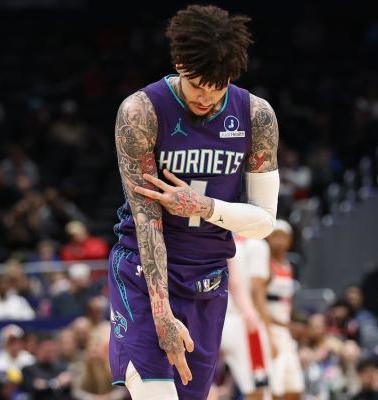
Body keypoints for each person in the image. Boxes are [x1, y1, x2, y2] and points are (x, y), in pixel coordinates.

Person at [109, 4, 280, 399]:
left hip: (208, 278)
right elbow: (147, 221)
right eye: (197, 85)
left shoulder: (257, 117)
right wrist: (162, 314)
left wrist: (203, 206)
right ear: (180, 65)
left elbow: (264, 221)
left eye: (217, 87)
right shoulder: (141, 112)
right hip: (144, 274)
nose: (207, 97)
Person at [254, 220, 304, 400]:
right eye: (276, 236)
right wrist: (270, 332)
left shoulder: (289, 266)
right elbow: (258, 302)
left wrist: (297, 324)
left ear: (290, 241)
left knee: (295, 388)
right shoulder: (265, 264)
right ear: (268, 238)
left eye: (284, 237)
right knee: (275, 389)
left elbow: (287, 303)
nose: (280, 241)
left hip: (285, 332)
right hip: (271, 330)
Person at [220, 236, 274, 399]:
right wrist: (269, 332)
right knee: (258, 388)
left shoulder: (218, 237)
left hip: (214, 319)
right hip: (244, 320)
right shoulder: (257, 245)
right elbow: (256, 291)